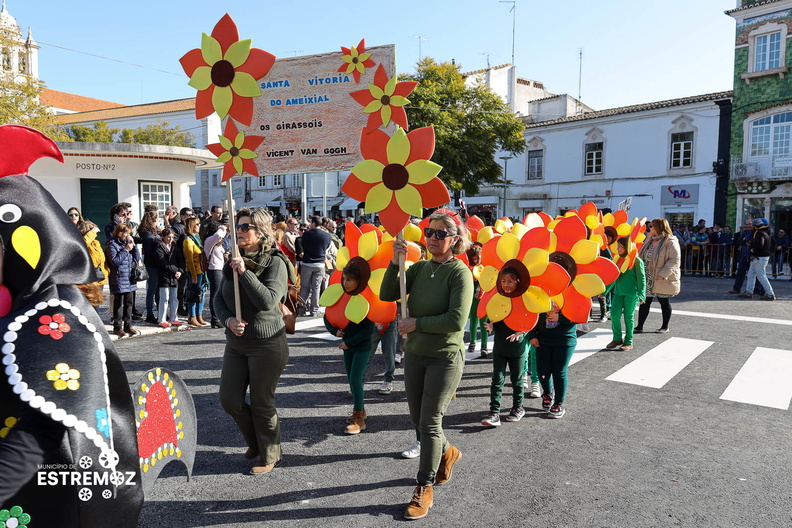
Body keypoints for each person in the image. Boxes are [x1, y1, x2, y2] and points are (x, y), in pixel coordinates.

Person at [381, 211, 473, 521]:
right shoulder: (419, 268)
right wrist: (395, 263)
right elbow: (386, 294)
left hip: (445, 356)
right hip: (416, 354)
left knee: (430, 422)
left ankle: (424, 486)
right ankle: (448, 452)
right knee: (418, 420)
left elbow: (456, 321)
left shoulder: (460, 273)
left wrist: (415, 323)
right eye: (429, 233)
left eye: (440, 234)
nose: (432, 238)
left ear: (455, 240)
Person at [215, 207, 292, 475]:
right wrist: (228, 321)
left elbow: (268, 301)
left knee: (262, 402)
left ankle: (270, 453)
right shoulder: (234, 259)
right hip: (236, 344)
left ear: (261, 232)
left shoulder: (275, 262)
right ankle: (255, 442)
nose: (239, 231)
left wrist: (245, 272)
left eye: (245, 227)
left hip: (267, 343)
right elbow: (217, 300)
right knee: (229, 400)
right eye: (238, 226)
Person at [324, 261, 376, 434]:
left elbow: (368, 330)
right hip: (348, 346)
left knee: (355, 380)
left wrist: (349, 342)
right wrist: (334, 330)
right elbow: (328, 315)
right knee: (351, 380)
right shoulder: (341, 296)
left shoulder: (364, 299)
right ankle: (360, 409)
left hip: (361, 347)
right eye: (344, 279)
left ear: (359, 281)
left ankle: (359, 417)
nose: (345, 283)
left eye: (350, 280)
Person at [480, 267, 528, 427]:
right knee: (497, 379)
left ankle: (518, 407)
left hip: (518, 348)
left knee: (517, 380)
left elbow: (530, 322)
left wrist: (522, 332)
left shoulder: (523, 299)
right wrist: (492, 327)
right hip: (500, 347)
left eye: (510, 281)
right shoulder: (498, 298)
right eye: (503, 281)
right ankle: (494, 412)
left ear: (517, 282)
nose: (506, 285)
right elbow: (495, 318)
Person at [529, 301, 577, 418]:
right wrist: (532, 335)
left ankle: (559, 403)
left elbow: (580, 315)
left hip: (565, 339)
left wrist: (560, 318)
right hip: (542, 339)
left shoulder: (572, 292)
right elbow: (532, 313)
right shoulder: (541, 291)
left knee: (559, 371)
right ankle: (547, 392)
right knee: (542, 370)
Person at [635, 218, 681, 334]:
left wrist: (663, 274)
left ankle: (665, 326)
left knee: (664, 301)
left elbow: (674, 260)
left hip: (661, 276)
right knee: (645, 301)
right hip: (647, 275)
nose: (649, 228)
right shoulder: (649, 239)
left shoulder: (670, 241)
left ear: (659, 227)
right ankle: (639, 326)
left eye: (651, 226)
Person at [604, 237, 646, 351]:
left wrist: (642, 294)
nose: (617, 248)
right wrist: (605, 291)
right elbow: (613, 277)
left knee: (628, 317)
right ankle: (617, 338)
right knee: (614, 315)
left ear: (627, 247)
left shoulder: (637, 261)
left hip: (631, 294)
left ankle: (629, 341)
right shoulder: (617, 259)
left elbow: (641, 278)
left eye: (620, 246)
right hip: (618, 293)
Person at [107, 223, 141, 337]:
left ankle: (128, 325)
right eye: (125, 233)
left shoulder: (128, 243)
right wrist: (125, 250)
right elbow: (115, 261)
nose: (127, 235)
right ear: (119, 233)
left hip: (129, 276)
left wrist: (134, 246)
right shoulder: (112, 244)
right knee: (119, 304)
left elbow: (137, 258)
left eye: (128, 233)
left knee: (129, 303)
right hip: (119, 277)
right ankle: (117, 327)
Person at [298, 216, 331, 316]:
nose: (309, 224)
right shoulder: (326, 235)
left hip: (307, 263)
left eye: (310, 222)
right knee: (316, 287)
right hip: (320, 263)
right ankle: (314, 310)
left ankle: (302, 309)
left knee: (304, 287)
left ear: (313, 223)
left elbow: (303, 245)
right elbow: (326, 247)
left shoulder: (306, 234)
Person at [183, 216, 210, 326]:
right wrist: (193, 276)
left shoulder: (196, 238)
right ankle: (192, 316)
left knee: (201, 294)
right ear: (191, 226)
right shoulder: (188, 241)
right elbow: (189, 261)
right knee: (193, 294)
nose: (199, 226)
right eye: (197, 224)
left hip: (201, 270)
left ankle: (199, 315)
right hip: (194, 271)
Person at [740, 218, 775, 300]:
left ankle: (770, 294)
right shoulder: (767, 232)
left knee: (761, 276)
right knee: (751, 274)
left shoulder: (759, 233)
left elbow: (760, 244)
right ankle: (749, 292)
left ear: (755, 226)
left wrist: (753, 249)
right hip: (761, 256)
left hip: (759, 257)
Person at [154, 228, 184, 328]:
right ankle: (161, 319)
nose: (170, 239)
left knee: (174, 298)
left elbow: (180, 260)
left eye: (172, 237)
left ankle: (173, 317)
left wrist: (180, 271)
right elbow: (162, 263)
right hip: (164, 275)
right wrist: (175, 271)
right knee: (164, 298)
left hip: (174, 276)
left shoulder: (175, 247)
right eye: (168, 237)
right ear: (163, 237)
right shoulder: (159, 247)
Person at [204, 218, 229, 328]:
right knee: (214, 294)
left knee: (219, 294)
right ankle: (214, 319)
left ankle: (217, 318)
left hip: (219, 269)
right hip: (213, 269)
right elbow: (219, 235)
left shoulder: (216, 243)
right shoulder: (209, 240)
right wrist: (222, 227)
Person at [465, 243, 489, 357]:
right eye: (475, 256)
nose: (477, 258)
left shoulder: (486, 269)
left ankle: (484, 345)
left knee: (484, 321)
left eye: (479, 255)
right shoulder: (468, 270)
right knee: (473, 320)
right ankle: (472, 342)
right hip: (473, 299)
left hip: (484, 299)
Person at [138, 210, 161, 324]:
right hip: (152, 265)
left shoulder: (151, 232)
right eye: (157, 219)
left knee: (156, 290)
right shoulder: (148, 234)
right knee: (152, 290)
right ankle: (150, 314)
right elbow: (149, 251)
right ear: (154, 220)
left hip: (154, 264)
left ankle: (159, 313)